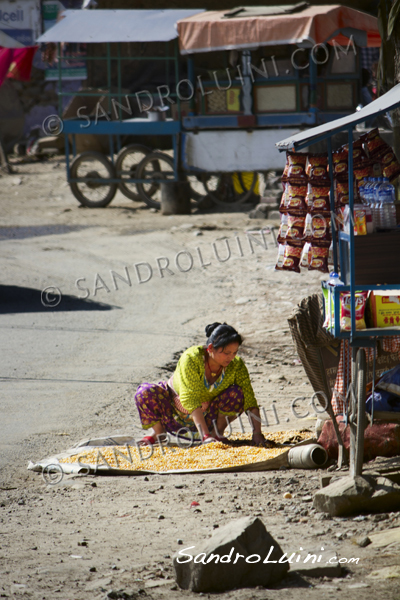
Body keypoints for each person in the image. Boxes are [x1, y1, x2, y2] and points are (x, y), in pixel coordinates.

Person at [134, 322, 270, 447]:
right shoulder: (191, 359)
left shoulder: (236, 365)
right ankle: (159, 433)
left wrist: (257, 433)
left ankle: (217, 433)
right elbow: (190, 399)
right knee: (145, 392)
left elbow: (249, 399)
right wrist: (205, 437)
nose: (231, 357)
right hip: (174, 412)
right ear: (211, 348)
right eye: (227, 353)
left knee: (237, 393)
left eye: (234, 352)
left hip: (209, 416)